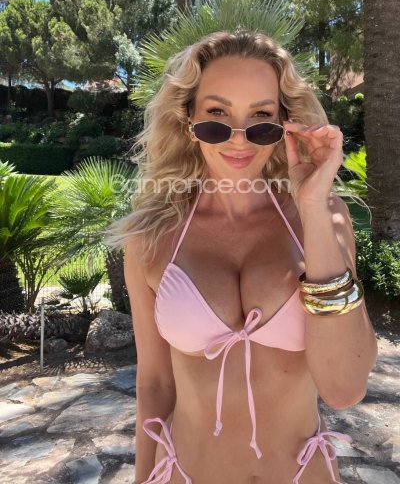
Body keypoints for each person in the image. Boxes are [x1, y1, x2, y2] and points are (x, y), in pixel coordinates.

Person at [105, 30, 378, 484]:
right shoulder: (152, 235)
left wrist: (313, 206)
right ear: (187, 119)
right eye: (216, 116)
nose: (238, 139)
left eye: (261, 118)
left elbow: (345, 388)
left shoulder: (322, 218)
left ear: (286, 123)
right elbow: (155, 383)